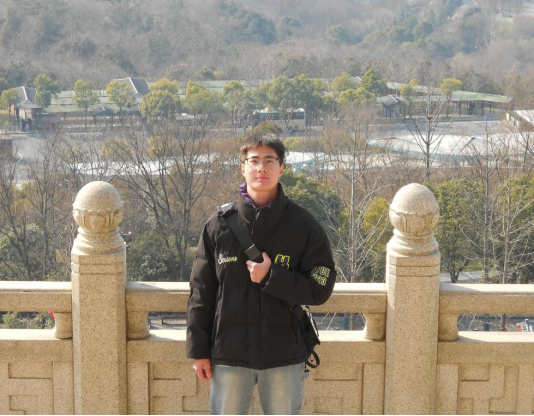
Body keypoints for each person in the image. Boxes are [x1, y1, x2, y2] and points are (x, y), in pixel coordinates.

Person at [187, 134, 336, 415]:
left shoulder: (303, 225)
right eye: (253, 161)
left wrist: (271, 277)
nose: (261, 168)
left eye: (269, 161)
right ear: (242, 168)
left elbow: (321, 285)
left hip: (284, 353)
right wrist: (199, 350)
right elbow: (201, 293)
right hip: (229, 352)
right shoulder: (218, 226)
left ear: (281, 168)